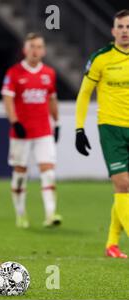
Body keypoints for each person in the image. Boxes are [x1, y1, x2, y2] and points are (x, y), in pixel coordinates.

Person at [75, 9, 129, 259]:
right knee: (122, 184)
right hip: (111, 128)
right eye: (120, 26)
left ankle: (111, 244)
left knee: (125, 191)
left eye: (128, 26)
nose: (125, 31)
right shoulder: (101, 58)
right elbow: (85, 93)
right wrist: (79, 128)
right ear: (113, 31)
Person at [1, 32, 62, 229]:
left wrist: (57, 122)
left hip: (43, 130)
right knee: (20, 172)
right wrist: (15, 122)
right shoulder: (14, 73)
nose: (35, 50)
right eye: (31, 47)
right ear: (25, 50)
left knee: (49, 172)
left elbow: (52, 99)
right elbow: (8, 99)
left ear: (43, 50)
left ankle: (51, 214)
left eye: (38, 47)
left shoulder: (49, 73)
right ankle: (21, 214)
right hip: (22, 132)